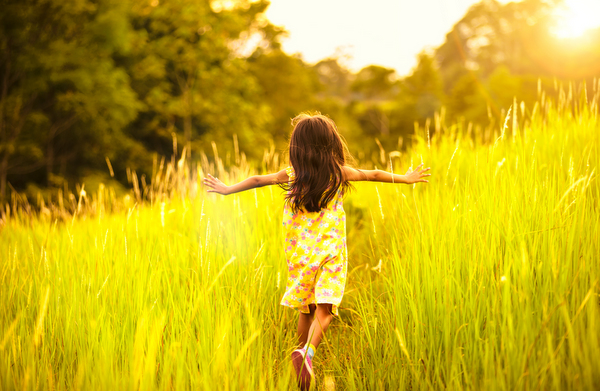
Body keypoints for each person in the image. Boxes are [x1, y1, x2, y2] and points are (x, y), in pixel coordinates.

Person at [202, 113, 430, 390]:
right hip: (330, 253)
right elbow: (372, 174)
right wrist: (406, 179)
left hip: (300, 254)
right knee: (327, 309)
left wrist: (226, 190)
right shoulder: (338, 172)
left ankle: (300, 361)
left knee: (306, 308)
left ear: (296, 147)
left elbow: (258, 179)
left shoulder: (292, 175)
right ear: (330, 143)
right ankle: (307, 354)